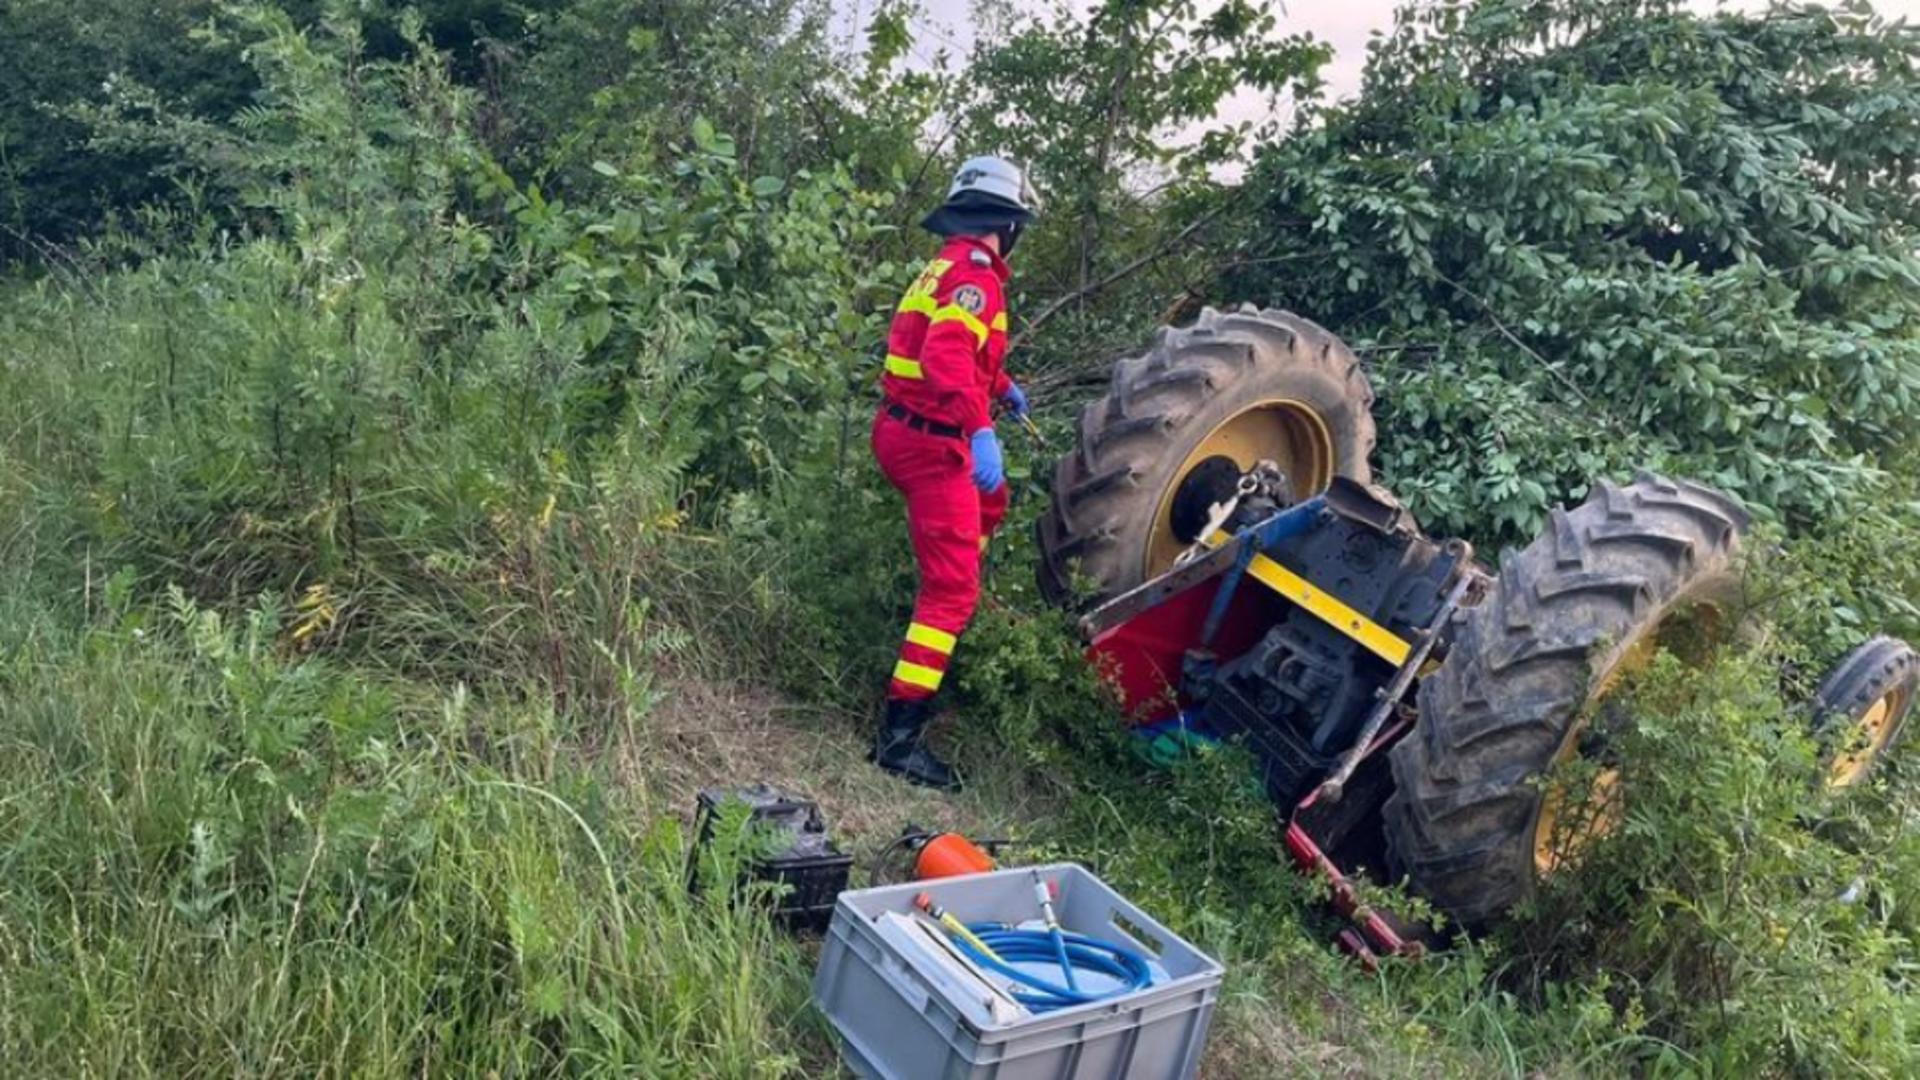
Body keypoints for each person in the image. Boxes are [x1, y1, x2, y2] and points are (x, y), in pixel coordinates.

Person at [869, 156, 1039, 790]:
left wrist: (1003, 386)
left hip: (907, 431)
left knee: (993, 501)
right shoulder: (977, 278)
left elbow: (961, 354)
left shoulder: (945, 265)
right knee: (949, 593)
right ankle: (900, 739)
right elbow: (944, 362)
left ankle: (964, 579)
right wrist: (981, 427)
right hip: (932, 444)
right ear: (1008, 222)